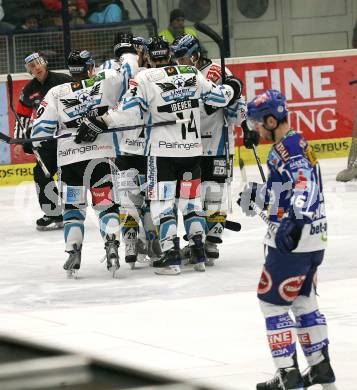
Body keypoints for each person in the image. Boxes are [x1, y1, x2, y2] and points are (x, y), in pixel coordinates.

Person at [75, 35, 242, 275]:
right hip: (192, 152)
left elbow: (128, 113)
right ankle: (198, 254)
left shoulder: (144, 77)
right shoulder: (190, 73)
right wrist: (233, 86)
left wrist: (98, 121)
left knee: (163, 203)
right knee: (190, 202)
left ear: (148, 57)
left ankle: (171, 257)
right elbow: (219, 97)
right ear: (170, 54)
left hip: (162, 154)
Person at [237, 89, 337, 389]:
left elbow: (303, 185)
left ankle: (287, 374)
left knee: (271, 303)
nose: (255, 129)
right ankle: (321, 371)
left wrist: (294, 221)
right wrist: (258, 195)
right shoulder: (295, 142)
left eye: (258, 123)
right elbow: (286, 193)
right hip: (314, 239)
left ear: (271, 119)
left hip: (294, 243)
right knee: (304, 302)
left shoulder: (289, 149)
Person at [31, 50, 127, 278]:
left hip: (70, 161)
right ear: (90, 67)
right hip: (101, 157)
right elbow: (129, 83)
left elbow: (39, 129)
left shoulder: (57, 91)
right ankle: (112, 244)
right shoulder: (105, 81)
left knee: (73, 210)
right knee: (106, 205)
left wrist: (38, 139)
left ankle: (73, 251)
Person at [171, 34, 245, 266]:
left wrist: (237, 113)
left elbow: (238, 107)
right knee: (192, 195)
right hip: (189, 146)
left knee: (215, 191)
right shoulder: (181, 75)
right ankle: (199, 239)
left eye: (182, 58)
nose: (178, 63)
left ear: (194, 55)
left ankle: (211, 240)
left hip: (217, 144)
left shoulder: (218, 72)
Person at [14, 52, 72, 231]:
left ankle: (75, 210)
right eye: (32, 66)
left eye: (38, 63)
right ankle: (53, 213)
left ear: (45, 63)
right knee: (41, 174)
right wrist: (19, 141)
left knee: (71, 173)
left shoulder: (63, 80)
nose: (36, 67)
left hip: (68, 137)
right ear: (29, 71)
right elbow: (22, 117)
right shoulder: (29, 90)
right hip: (47, 140)